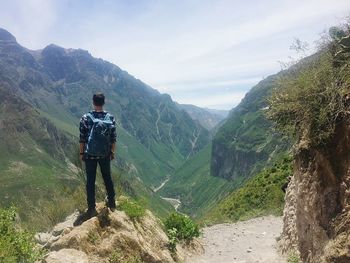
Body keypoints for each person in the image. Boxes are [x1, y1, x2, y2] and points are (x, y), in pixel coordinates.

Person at [74, 93, 117, 226]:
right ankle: (112, 203)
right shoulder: (110, 118)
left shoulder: (86, 118)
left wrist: (82, 153)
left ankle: (91, 208)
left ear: (93, 102)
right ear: (104, 102)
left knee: (90, 181)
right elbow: (113, 138)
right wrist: (112, 152)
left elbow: (82, 138)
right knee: (107, 178)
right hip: (104, 154)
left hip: (90, 155)